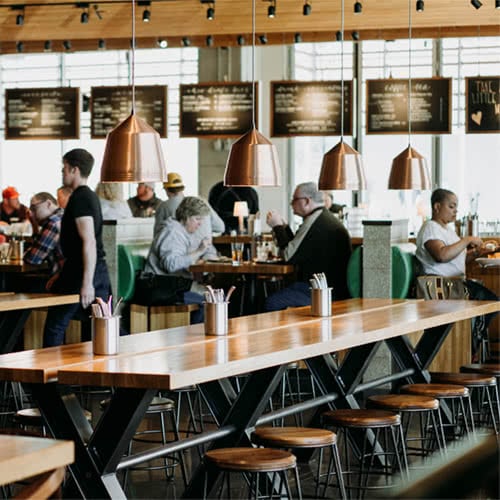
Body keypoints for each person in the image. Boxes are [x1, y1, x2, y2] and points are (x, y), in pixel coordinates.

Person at [416, 188, 498, 359]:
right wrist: (467, 239)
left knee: (489, 302)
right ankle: (472, 350)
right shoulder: (430, 227)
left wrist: (476, 253)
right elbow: (441, 255)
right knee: (488, 300)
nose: (455, 211)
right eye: (451, 207)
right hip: (440, 286)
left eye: (456, 207)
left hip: (454, 283)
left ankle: (472, 348)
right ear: (437, 206)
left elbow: (455, 260)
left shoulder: (447, 230)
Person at [43, 148, 112, 347]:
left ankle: (51, 376)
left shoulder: (81, 198)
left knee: (55, 326)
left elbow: (88, 240)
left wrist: (87, 282)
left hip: (83, 273)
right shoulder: (87, 196)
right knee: (103, 325)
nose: (62, 172)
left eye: (64, 168)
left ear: (74, 169)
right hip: (90, 270)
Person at [265, 182, 352, 311]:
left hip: (324, 292)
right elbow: (297, 247)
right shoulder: (322, 218)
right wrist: (284, 227)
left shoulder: (315, 221)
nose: (291, 204)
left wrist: (277, 227)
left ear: (306, 201)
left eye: (294, 200)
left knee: (272, 303)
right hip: (329, 288)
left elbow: (289, 256)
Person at [145, 196, 217, 323]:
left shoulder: (181, 231)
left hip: (169, 286)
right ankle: (195, 340)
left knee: (211, 298)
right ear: (186, 216)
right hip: (160, 288)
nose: (199, 224)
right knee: (208, 302)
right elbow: (170, 265)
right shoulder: (172, 231)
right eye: (197, 219)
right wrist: (199, 251)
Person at [154, 172, 225, 239]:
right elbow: (220, 227)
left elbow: (157, 235)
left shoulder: (163, 207)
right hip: (205, 249)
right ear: (182, 188)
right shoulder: (202, 202)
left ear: (166, 189)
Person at [24, 192, 64, 290]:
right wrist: (35, 226)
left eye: (34, 208)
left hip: (63, 280)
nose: (31, 213)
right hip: (69, 276)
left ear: (48, 204)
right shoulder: (63, 216)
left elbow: (33, 259)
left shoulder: (54, 222)